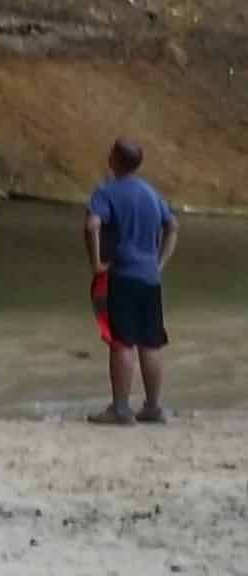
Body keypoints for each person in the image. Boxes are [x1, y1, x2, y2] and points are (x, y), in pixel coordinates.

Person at [85, 137, 178, 424]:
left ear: (114, 159)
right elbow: (172, 225)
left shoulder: (106, 192)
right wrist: (160, 263)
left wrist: (97, 264)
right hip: (150, 277)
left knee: (122, 342)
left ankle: (121, 408)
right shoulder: (151, 193)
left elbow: (92, 225)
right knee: (150, 342)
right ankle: (152, 406)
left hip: (122, 275)